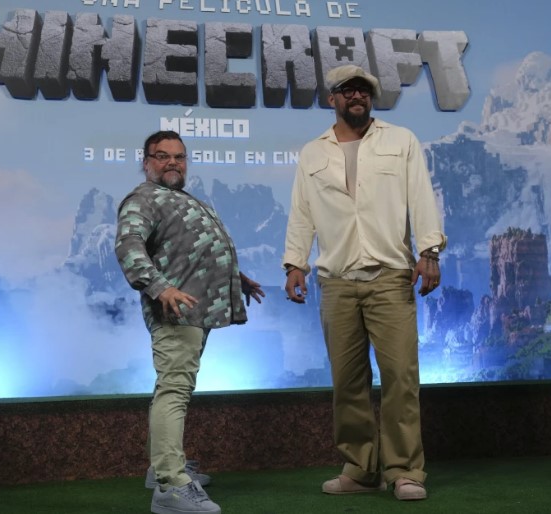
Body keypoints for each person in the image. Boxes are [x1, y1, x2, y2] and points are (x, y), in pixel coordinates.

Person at [282, 64, 446, 501]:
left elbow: (421, 197)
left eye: (364, 90)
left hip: (390, 276)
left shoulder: (400, 140)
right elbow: (301, 211)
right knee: (347, 381)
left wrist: (429, 251)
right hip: (335, 280)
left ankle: (405, 471)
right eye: (347, 90)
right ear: (332, 99)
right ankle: (359, 469)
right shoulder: (312, 153)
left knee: (400, 377)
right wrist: (294, 263)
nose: (357, 95)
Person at [115, 130, 264, 514]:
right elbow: (128, 246)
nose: (172, 163)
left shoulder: (180, 198)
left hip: (195, 309)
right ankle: (170, 486)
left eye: (179, 157)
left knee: (172, 387)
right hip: (175, 312)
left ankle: (161, 468)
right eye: (162, 156)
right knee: (175, 390)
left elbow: (189, 250)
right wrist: (160, 288)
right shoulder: (144, 198)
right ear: (145, 163)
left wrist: (236, 279)